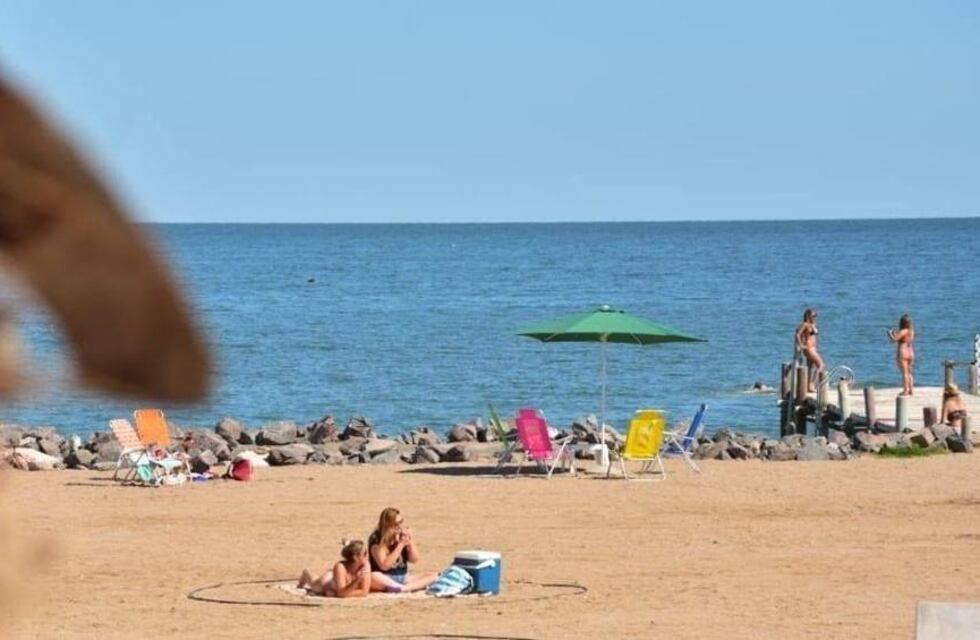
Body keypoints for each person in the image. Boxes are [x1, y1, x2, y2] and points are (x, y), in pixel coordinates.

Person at [368, 507, 437, 593]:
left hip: (403, 577)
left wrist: (409, 541)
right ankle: (406, 587)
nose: (399, 527)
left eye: (401, 523)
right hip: (385, 577)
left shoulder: (401, 536)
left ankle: (403, 588)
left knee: (433, 575)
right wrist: (400, 545)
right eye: (396, 524)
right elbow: (384, 566)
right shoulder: (377, 539)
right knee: (373, 576)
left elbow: (414, 559)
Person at [296, 539, 371, 598]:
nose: (367, 555)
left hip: (337, 583)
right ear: (355, 557)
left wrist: (343, 593)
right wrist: (356, 581)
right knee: (316, 586)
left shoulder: (365, 565)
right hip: (326, 583)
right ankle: (306, 573)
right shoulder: (340, 567)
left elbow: (364, 592)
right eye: (365, 553)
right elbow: (341, 593)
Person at [794, 309, 824, 392]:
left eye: (815, 316)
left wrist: (814, 327)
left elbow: (814, 335)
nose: (815, 318)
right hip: (809, 348)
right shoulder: (805, 324)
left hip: (813, 348)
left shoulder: (812, 325)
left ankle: (807, 386)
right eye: (813, 316)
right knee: (821, 365)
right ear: (808, 316)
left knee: (810, 367)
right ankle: (812, 384)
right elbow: (797, 334)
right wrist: (801, 345)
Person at [887, 314, 915, 396]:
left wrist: (889, 334)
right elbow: (901, 337)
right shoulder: (911, 331)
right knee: (910, 372)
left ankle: (905, 390)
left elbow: (894, 339)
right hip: (911, 351)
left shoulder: (903, 331)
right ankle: (911, 390)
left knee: (904, 373)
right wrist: (894, 333)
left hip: (903, 351)